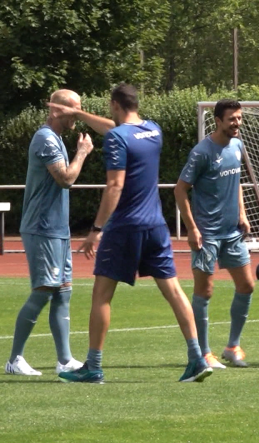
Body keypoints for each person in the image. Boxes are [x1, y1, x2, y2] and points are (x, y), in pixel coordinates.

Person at [58, 83, 212, 383]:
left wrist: (96, 229)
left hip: (125, 227)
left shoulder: (118, 138)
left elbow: (115, 186)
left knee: (101, 296)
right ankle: (197, 358)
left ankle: (93, 366)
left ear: (115, 104)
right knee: (174, 291)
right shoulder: (153, 130)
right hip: (156, 226)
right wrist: (79, 112)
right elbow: (117, 130)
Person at [6, 89, 113, 377]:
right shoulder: (45, 138)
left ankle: (64, 360)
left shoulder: (55, 139)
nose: (78, 115)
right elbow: (65, 179)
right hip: (42, 228)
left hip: (58, 230)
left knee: (63, 292)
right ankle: (15, 359)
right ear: (56, 110)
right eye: (74, 109)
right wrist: (82, 153)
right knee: (43, 290)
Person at [175, 99, 254, 369]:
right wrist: (192, 228)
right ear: (218, 120)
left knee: (247, 285)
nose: (237, 123)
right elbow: (180, 190)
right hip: (206, 234)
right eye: (232, 118)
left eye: (240, 118)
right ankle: (204, 353)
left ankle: (232, 346)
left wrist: (242, 214)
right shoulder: (202, 152)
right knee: (204, 291)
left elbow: (237, 183)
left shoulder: (238, 146)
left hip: (232, 233)